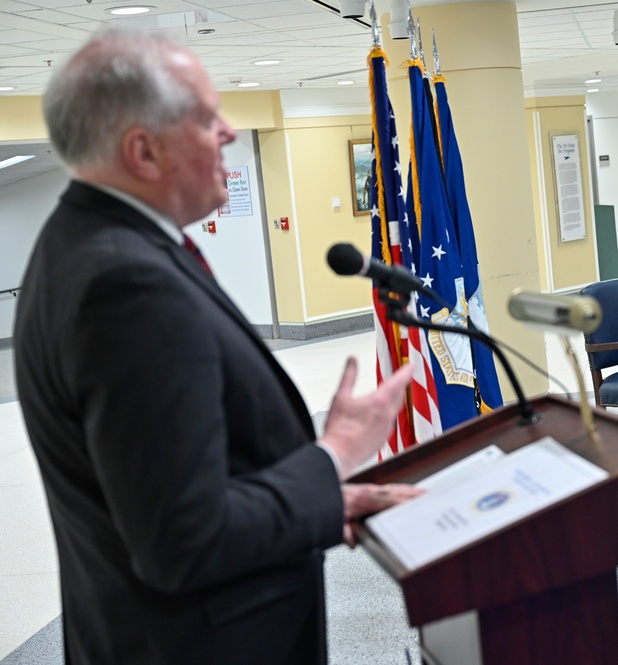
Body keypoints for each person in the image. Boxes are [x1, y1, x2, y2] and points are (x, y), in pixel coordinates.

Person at [14, 28, 422, 665]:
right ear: (143, 151)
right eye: (207, 119)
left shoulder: (80, 242)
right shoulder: (128, 285)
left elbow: (176, 486)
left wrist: (320, 500)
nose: (230, 132)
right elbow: (181, 540)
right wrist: (333, 454)